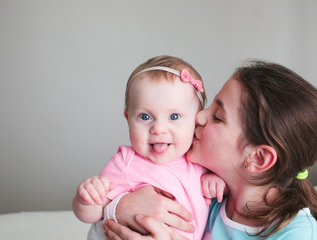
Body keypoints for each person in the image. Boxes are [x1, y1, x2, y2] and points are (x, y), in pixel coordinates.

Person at [102, 60, 317, 239]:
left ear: (257, 158)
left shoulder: (297, 233)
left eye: (217, 117)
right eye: (211, 105)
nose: (199, 116)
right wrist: (119, 206)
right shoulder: (206, 196)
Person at [72, 55, 226, 240]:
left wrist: (215, 182)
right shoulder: (126, 163)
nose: (158, 129)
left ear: (196, 119)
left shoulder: (198, 159)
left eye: (174, 117)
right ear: (128, 118)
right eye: (145, 117)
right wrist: (86, 198)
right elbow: (91, 214)